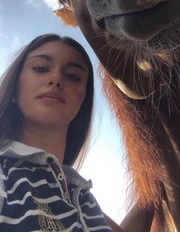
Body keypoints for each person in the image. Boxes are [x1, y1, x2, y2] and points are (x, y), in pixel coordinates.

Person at [0, 34, 153, 232]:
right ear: (14, 88)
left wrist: (152, 196)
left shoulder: (84, 199)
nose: (55, 79)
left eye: (73, 76)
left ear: (83, 101)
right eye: (40, 68)